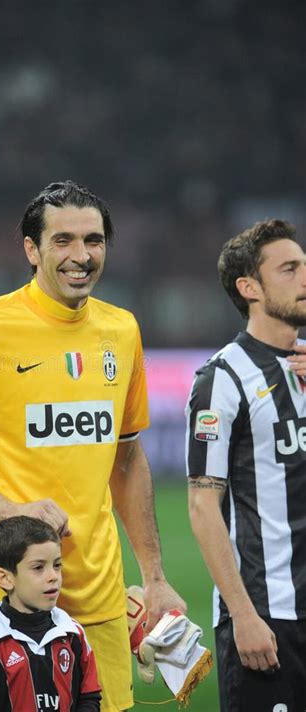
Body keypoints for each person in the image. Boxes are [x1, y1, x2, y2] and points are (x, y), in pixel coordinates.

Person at [0, 180, 185, 711]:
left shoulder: (121, 330)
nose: (81, 256)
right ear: (32, 250)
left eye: (94, 240)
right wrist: (8, 512)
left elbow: (126, 456)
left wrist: (155, 579)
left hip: (99, 600)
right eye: (63, 241)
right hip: (1, 601)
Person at [186, 219, 306, 712]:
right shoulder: (223, 379)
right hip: (268, 619)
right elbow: (201, 506)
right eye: (291, 269)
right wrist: (243, 615)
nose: (305, 278)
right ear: (249, 288)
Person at [0, 515, 101, 711]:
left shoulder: (72, 633)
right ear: (5, 578)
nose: (53, 577)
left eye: (57, 565)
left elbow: (89, 697)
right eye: (38, 568)